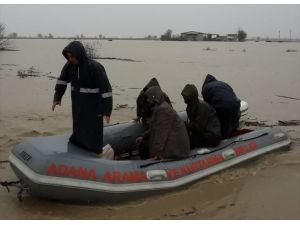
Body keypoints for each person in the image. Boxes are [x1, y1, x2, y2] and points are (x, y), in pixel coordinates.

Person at [52, 41, 113, 154]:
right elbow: (62, 81)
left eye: (72, 56)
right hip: (78, 106)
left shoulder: (95, 68)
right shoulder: (69, 66)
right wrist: (57, 97)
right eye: (68, 57)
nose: (71, 59)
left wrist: (107, 111)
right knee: (78, 127)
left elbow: (106, 90)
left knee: (93, 131)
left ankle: (95, 154)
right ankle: (78, 149)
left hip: (94, 107)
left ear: (79, 54)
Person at [135, 86, 190, 160]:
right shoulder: (159, 107)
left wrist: (156, 155)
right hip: (171, 142)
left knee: (144, 147)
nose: (147, 100)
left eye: (149, 98)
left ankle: (147, 166)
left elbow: (161, 135)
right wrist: (143, 136)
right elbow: (155, 127)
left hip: (176, 149)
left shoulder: (163, 110)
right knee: (143, 144)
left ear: (154, 98)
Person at [181, 84, 222, 149]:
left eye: (186, 98)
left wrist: (186, 125)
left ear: (191, 97)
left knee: (189, 142)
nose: (184, 100)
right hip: (203, 134)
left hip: (212, 136)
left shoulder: (203, 107)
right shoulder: (190, 107)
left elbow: (199, 127)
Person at [201, 74, 240, 138]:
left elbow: (207, 106)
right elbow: (232, 94)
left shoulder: (205, 88)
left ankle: (223, 139)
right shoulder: (223, 83)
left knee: (222, 125)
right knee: (232, 124)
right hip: (235, 104)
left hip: (221, 106)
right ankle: (232, 136)